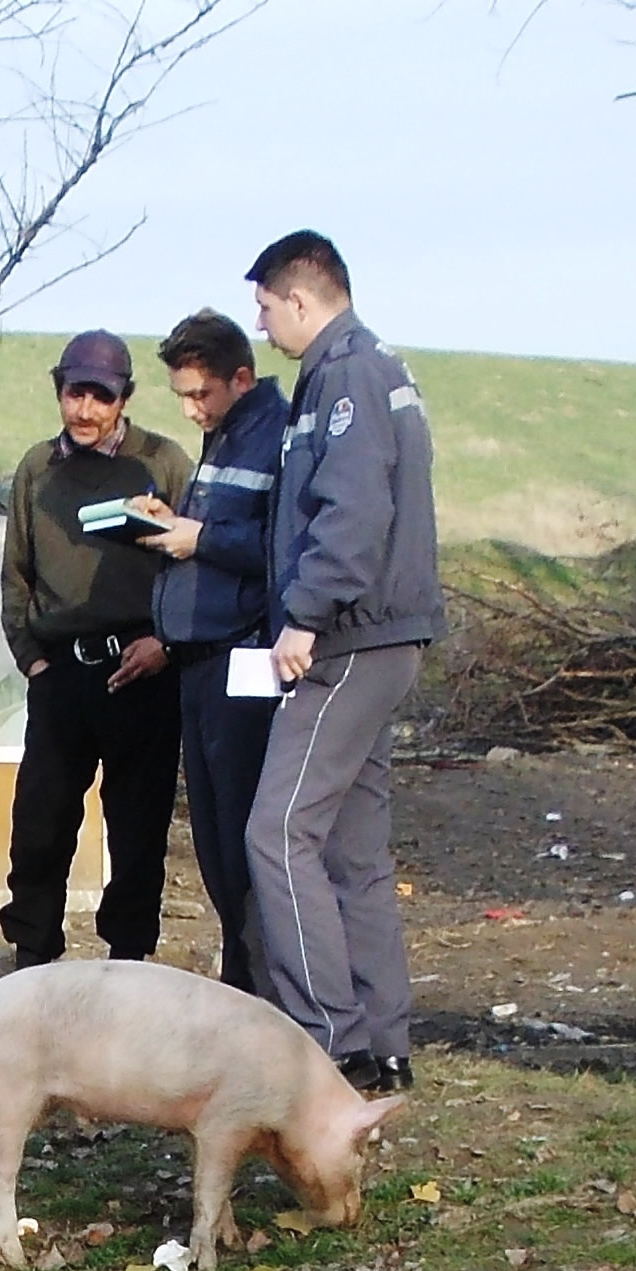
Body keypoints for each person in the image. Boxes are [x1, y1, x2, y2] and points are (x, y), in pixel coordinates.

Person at [241, 230, 442, 1095]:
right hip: (383, 635)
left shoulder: (346, 375)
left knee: (277, 832)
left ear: (299, 297)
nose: (260, 324)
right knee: (354, 849)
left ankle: (328, 1038)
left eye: (264, 307)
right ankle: (382, 1047)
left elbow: (351, 512)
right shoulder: (370, 368)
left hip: (349, 637)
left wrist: (304, 616)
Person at [0, 330, 196, 969]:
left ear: (124, 399)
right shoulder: (38, 468)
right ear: (59, 390)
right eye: (74, 393)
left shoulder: (163, 463)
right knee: (39, 826)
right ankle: (32, 963)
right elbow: (16, 572)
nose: (84, 410)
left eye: (100, 397)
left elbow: (195, 565)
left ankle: (128, 965)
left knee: (137, 831)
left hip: (142, 671)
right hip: (61, 673)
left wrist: (166, 643)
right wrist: (32, 659)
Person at [133, 309, 290, 993]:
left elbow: (281, 545)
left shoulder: (274, 438)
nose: (191, 410)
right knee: (215, 844)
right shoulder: (224, 436)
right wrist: (173, 524)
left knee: (242, 839)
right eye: (182, 397)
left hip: (243, 656)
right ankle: (241, 982)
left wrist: (198, 539)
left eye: (201, 394)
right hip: (199, 659)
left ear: (241, 378)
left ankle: (263, 991)